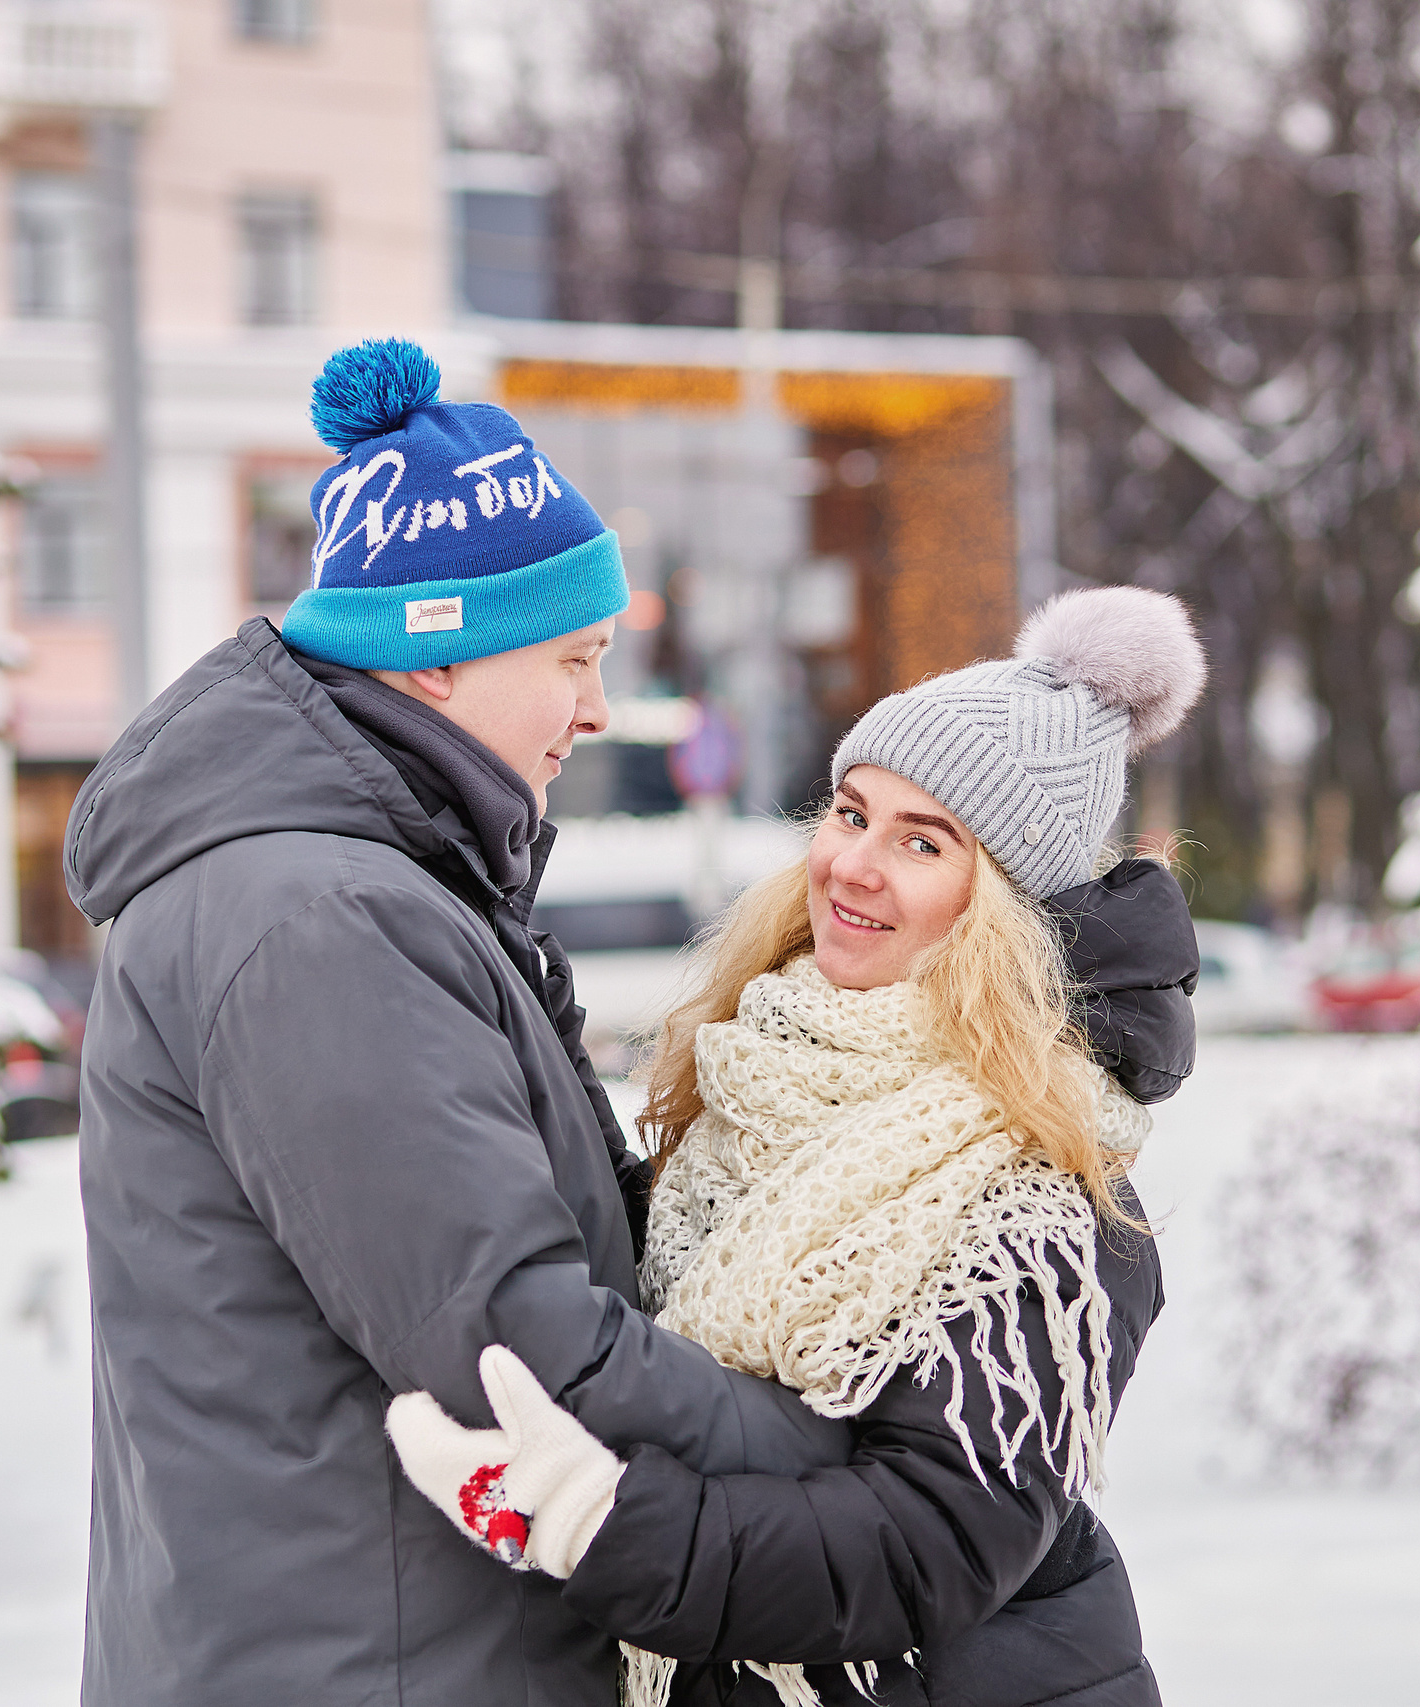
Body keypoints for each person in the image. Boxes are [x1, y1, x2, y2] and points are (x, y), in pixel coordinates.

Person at [63, 339, 848, 1707]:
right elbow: (513, 1339)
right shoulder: (318, 918)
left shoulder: (356, 881)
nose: (598, 707)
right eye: (574, 656)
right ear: (439, 655)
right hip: (382, 1659)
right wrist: (831, 1434)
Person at [388, 586, 1208, 1707]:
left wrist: (599, 1518)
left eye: (923, 842)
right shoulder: (760, 1077)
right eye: (849, 810)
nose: (852, 865)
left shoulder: (1039, 1190)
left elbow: (931, 1539)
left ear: (1003, 909)